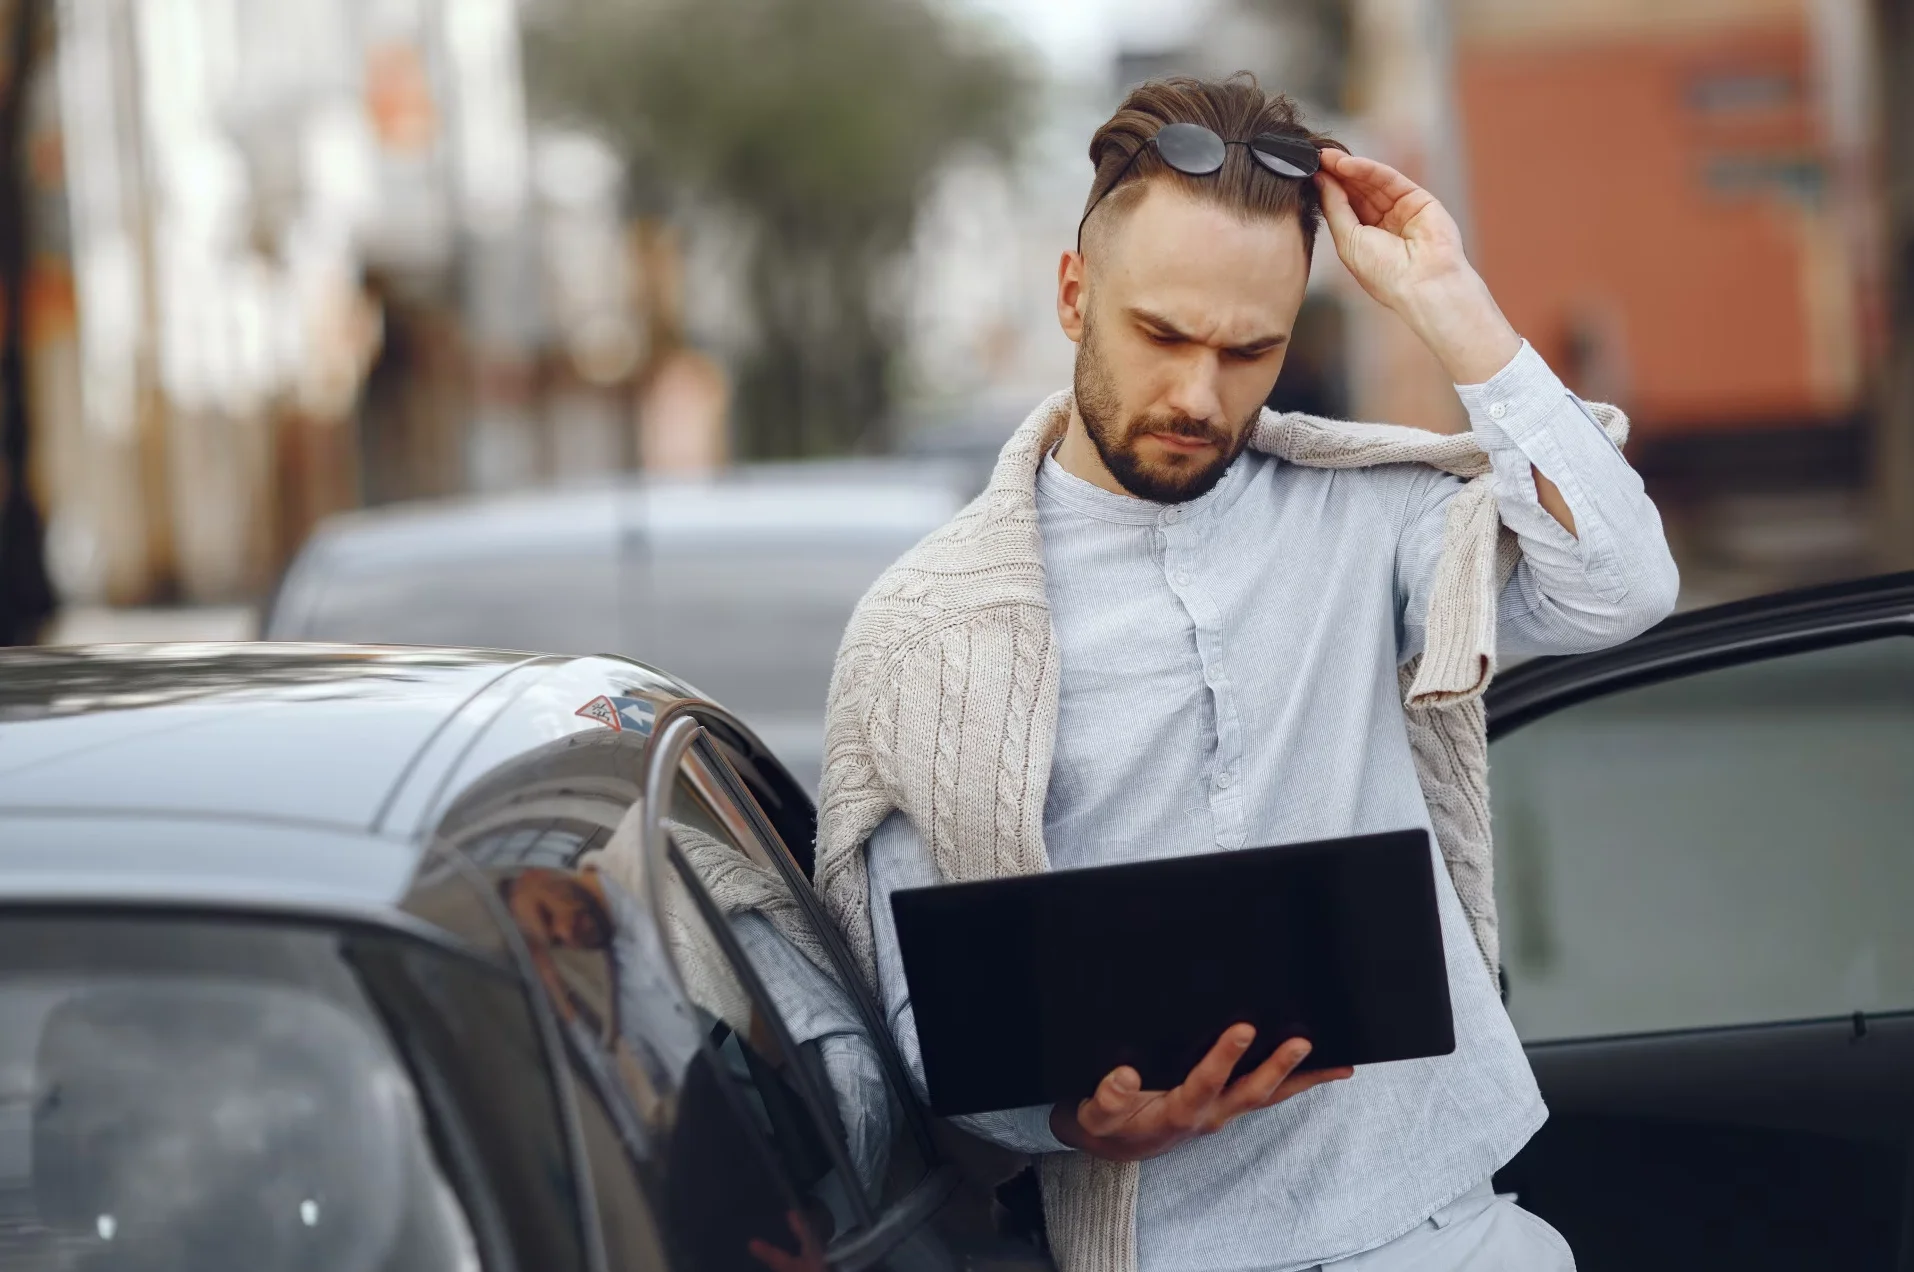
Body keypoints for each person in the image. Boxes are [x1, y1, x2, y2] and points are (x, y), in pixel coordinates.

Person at [814, 74, 1680, 1272]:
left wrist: (1449, 304)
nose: (1196, 395)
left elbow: (1620, 586)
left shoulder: (1368, 520)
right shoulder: (928, 634)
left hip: (1447, 1230)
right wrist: (1073, 1119)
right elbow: (920, 1022)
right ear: (1075, 295)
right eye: (1160, 334)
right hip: (1169, 1250)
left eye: (1247, 350)